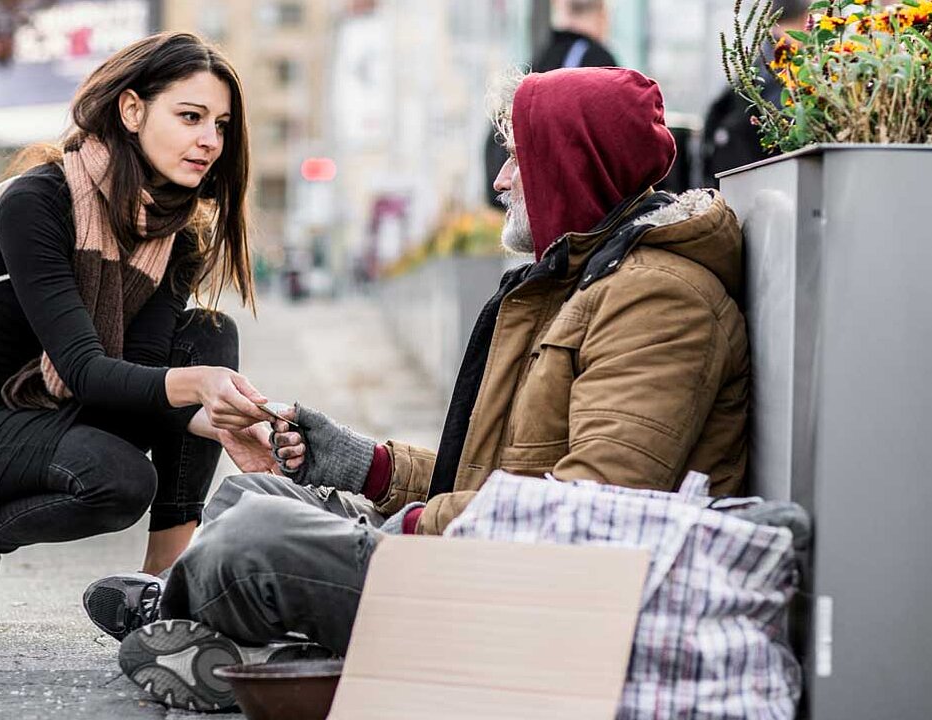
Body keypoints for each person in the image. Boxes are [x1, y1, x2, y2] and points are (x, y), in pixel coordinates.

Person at [92, 66, 751, 712]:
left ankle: (203, 623)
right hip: (495, 566)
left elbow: (591, 510)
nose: (500, 179)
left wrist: (410, 526)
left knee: (253, 536)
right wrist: (366, 465)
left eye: (517, 157)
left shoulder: (660, 299)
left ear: (573, 162)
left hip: (541, 605)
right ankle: (265, 650)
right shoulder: (586, 281)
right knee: (249, 493)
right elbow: (497, 479)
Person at [0, 32, 298, 634]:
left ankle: (166, 576)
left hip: (61, 413)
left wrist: (235, 420)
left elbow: (144, 370)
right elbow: (85, 369)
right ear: (132, 111)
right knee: (119, 478)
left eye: (221, 124)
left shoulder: (174, 235)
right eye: (190, 116)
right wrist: (201, 388)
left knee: (208, 334)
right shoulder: (38, 202)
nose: (209, 140)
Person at [484, 0, 619, 209]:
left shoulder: (542, 59)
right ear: (604, 15)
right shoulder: (598, 62)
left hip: (524, 206)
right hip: (563, 209)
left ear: (559, 8)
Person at [699, 0, 811, 187]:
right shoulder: (785, 65)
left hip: (741, 181)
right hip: (772, 181)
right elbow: (791, 127)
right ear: (806, 18)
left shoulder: (756, 63)